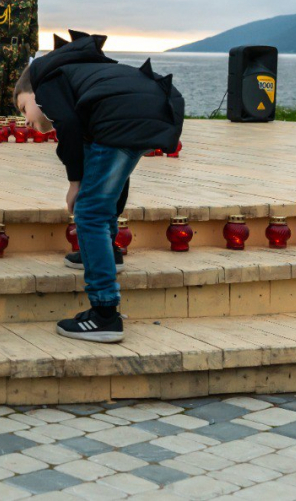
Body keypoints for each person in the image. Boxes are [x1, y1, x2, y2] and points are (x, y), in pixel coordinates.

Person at [14, 30, 184, 343]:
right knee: (101, 191)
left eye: (23, 108)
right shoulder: (82, 81)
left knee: (88, 212)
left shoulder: (45, 80)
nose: (25, 119)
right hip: (155, 107)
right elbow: (114, 181)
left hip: (122, 116)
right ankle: (109, 252)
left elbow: (67, 125)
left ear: (33, 93)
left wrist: (74, 183)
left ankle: (105, 313)